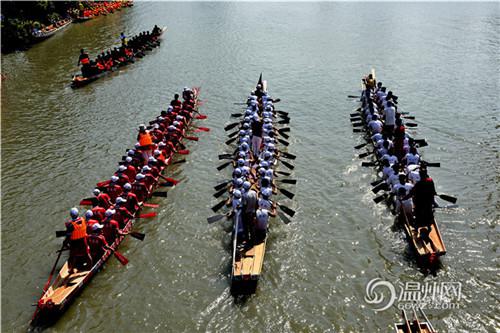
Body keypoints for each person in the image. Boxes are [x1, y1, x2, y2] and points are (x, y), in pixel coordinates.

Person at [64, 208, 92, 274]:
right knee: (87, 254)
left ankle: (71, 270)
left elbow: (68, 236)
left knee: (72, 256)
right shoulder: (83, 220)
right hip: (83, 240)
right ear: (78, 214)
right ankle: (89, 267)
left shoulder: (70, 225)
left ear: (71, 215)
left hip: (74, 242)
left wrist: (65, 242)